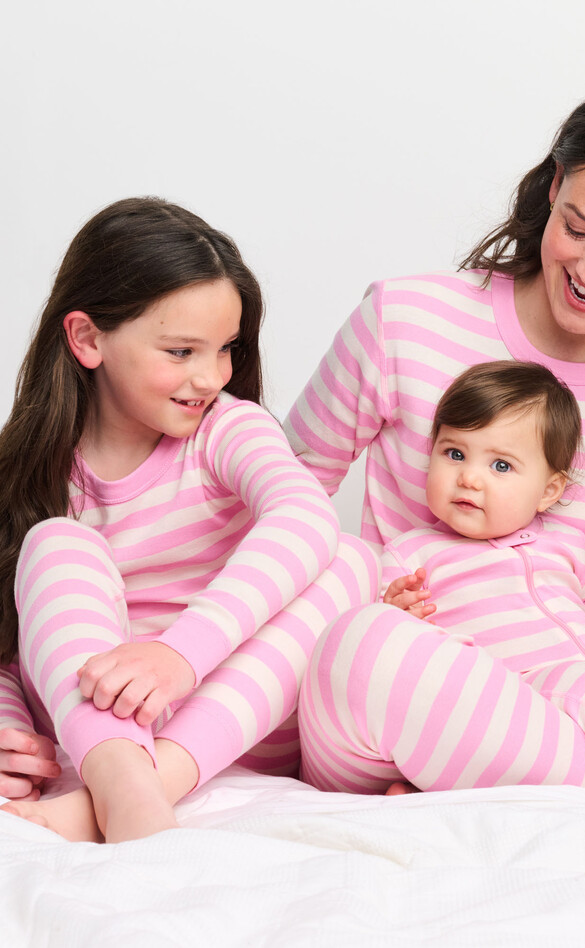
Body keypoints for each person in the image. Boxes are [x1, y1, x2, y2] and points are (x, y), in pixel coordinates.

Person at [284, 83, 585, 652]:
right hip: (401, 683)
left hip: (575, 709)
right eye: (577, 230)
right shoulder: (403, 321)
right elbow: (282, 506)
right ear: (556, 185)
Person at [0, 197, 380, 841]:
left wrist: (179, 657)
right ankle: (119, 775)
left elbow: (304, 516)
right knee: (54, 544)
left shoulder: (228, 429)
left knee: (350, 559)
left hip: (231, 724)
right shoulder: (33, 469)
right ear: (87, 339)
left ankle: (136, 794)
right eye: (180, 351)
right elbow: (12, 652)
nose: (210, 377)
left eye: (225, 349)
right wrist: (8, 729)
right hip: (93, 731)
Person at [297, 361, 585, 800]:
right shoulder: (412, 552)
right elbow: (408, 649)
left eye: (500, 465)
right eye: (454, 453)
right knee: (584, 683)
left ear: (549, 491)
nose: (469, 479)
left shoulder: (568, 546)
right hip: (528, 695)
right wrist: (396, 606)